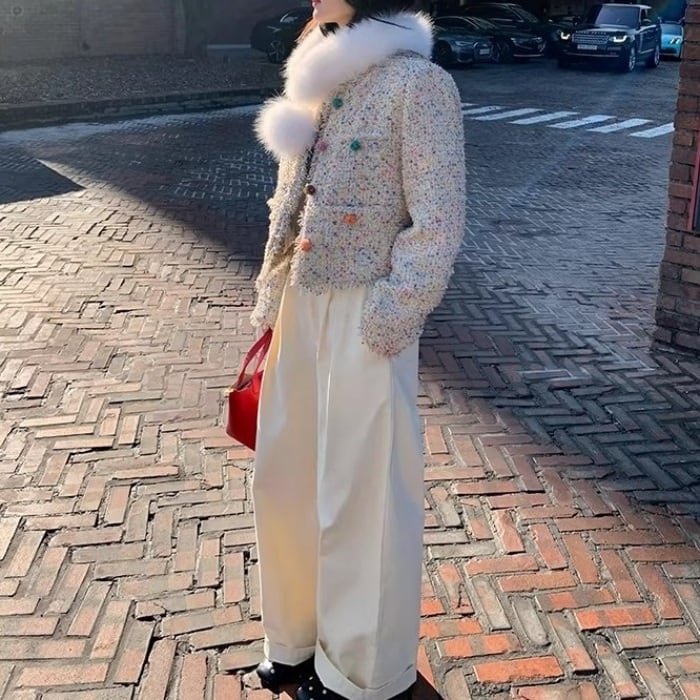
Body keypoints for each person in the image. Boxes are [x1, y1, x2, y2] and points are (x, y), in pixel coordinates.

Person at [250, 1, 465, 698]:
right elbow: (289, 200)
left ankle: (361, 673)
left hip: (366, 308)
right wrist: (271, 299)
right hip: (299, 300)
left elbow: (439, 221)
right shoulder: (315, 74)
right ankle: (294, 637)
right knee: (284, 477)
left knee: (363, 494)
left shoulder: (418, 84)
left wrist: (391, 313)